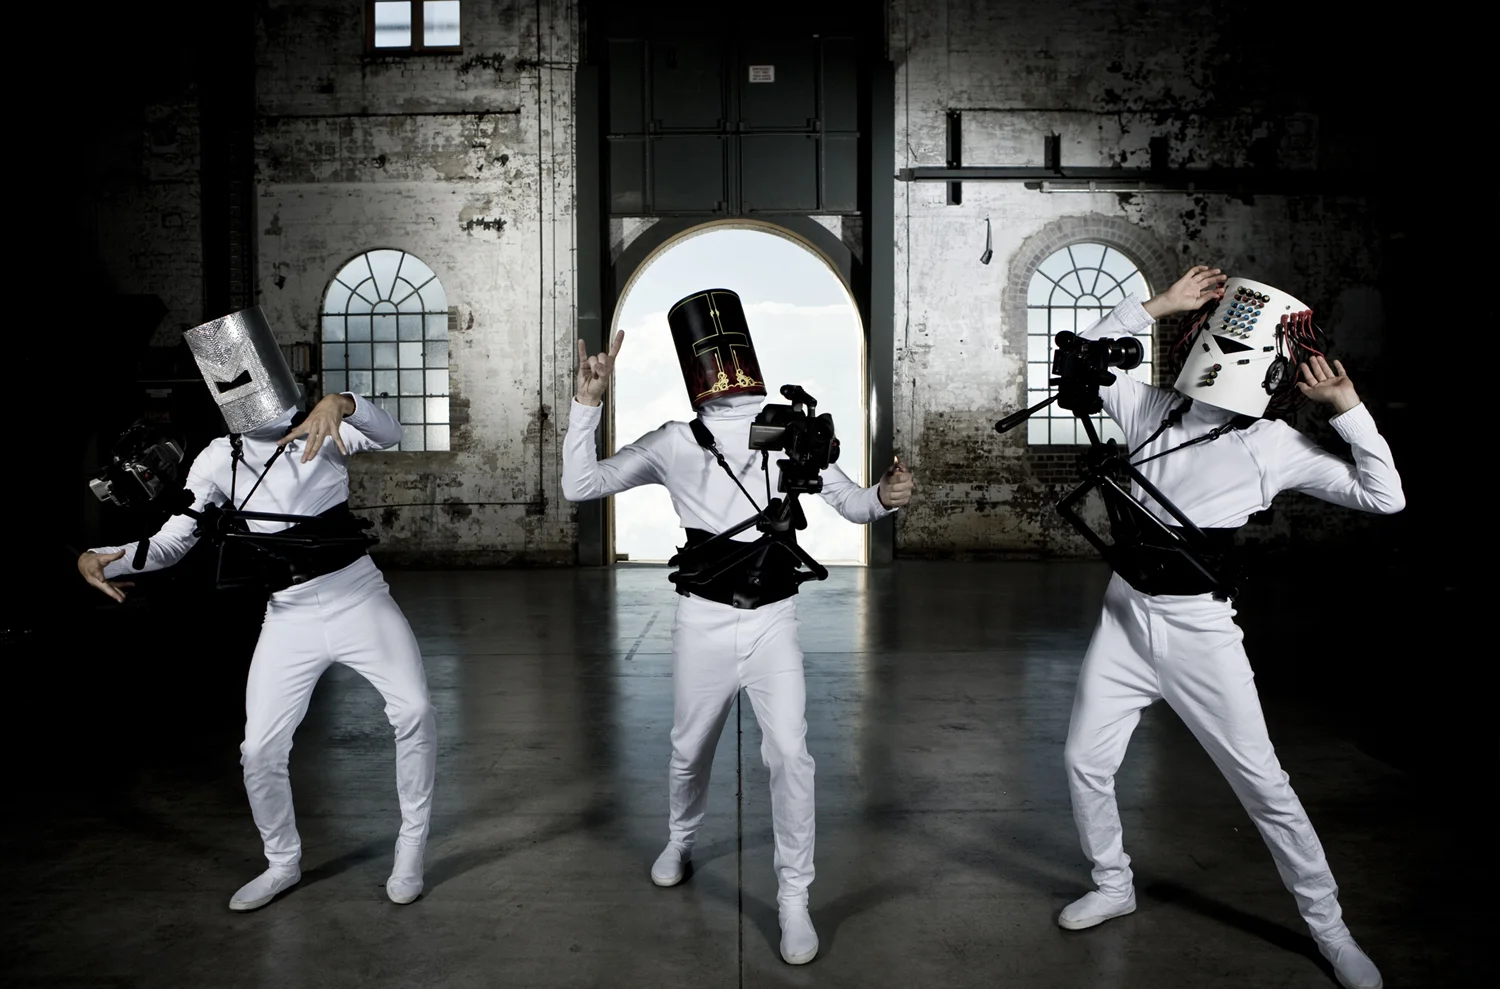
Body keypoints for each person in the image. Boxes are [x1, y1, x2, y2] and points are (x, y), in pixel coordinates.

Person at [1056, 266, 1403, 989]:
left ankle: (1331, 930)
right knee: (1085, 760)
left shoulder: (1273, 446)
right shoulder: (1152, 407)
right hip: (1124, 613)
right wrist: (1153, 304)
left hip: (1198, 632)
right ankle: (1113, 882)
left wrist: (1347, 409)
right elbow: (1078, 356)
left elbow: (1385, 494)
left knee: (1264, 786)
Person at [562, 289, 913, 966]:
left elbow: (850, 501)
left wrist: (886, 498)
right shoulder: (672, 441)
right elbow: (582, 485)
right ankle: (682, 837)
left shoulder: (787, 428)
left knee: (791, 754)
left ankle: (793, 898)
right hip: (702, 620)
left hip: (773, 621)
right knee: (690, 750)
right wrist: (587, 403)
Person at [76, 307, 436, 912]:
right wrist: (103, 557)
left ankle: (411, 847)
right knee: (259, 750)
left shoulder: (325, 430)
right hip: (289, 614)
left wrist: (342, 402)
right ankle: (282, 862)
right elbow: (172, 541)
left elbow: (391, 432)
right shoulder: (218, 459)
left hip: (357, 598)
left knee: (417, 710)